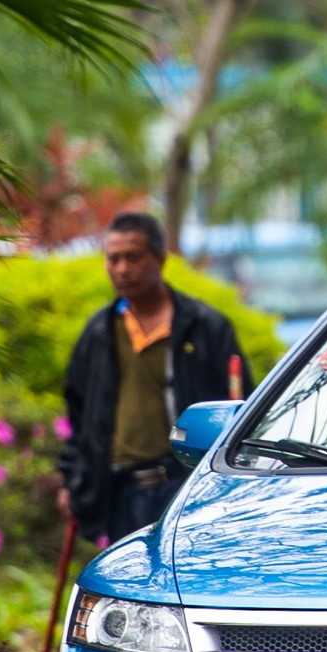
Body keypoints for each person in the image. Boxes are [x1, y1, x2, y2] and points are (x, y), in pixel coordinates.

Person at [58, 210, 246, 545]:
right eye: (113, 259)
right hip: (122, 494)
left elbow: (240, 409)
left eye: (133, 257)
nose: (122, 269)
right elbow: (78, 416)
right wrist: (72, 480)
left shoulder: (204, 327)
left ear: (160, 259)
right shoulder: (99, 332)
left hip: (186, 487)